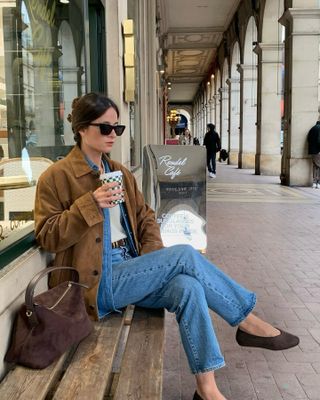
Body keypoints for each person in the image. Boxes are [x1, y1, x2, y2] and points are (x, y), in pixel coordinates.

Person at [34, 93, 299, 400]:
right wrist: (89, 205)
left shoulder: (117, 171)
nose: (113, 135)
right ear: (81, 128)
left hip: (129, 267)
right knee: (185, 254)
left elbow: (145, 217)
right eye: (105, 128)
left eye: (117, 128)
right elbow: (47, 235)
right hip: (94, 281)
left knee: (189, 287)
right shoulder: (55, 177)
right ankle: (247, 320)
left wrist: (151, 261)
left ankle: (207, 389)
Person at [307, 120, 320, 188]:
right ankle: (318, 183)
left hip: (313, 151)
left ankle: (314, 182)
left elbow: (308, 139)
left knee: (315, 166)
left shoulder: (312, 128)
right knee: (318, 166)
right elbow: (319, 140)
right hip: (318, 151)